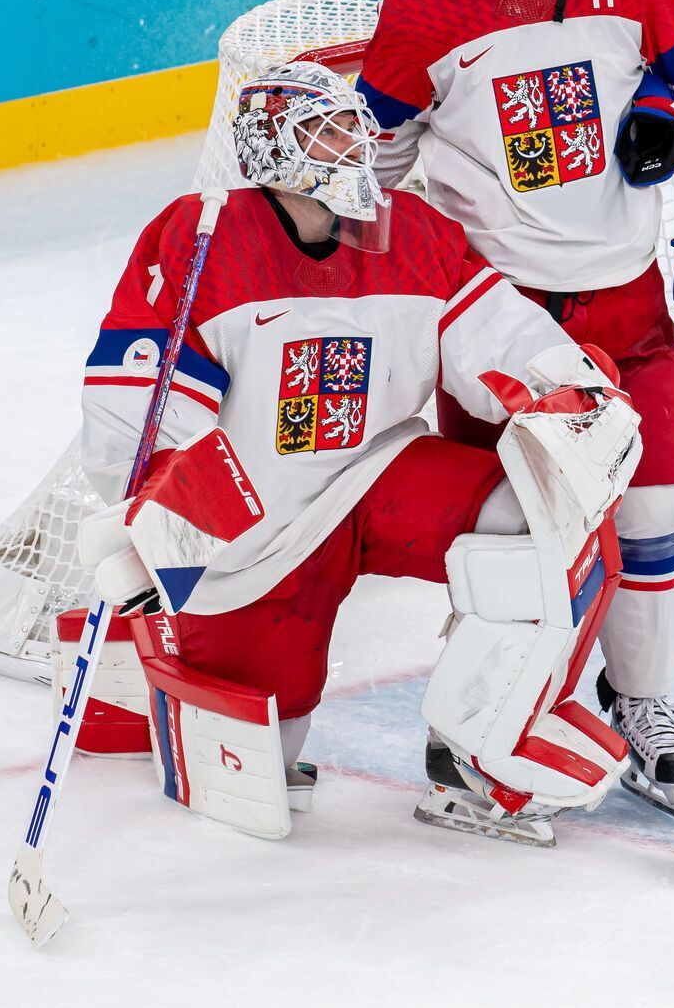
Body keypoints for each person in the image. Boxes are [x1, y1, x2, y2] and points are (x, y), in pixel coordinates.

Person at [71, 61, 644, 846]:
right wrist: (168, 520)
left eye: (352, 127)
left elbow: (497, 335)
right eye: (325, 130)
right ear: (273, 150)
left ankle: (472, 757)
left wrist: (571, 392)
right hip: (254, 532)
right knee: (267, 771)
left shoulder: (408, 232)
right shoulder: (203, 240)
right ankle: (146, 659)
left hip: (376, 478)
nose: (352, 145)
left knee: (539, 513)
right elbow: (134, 413)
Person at [353, 0, 674, 815]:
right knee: (520, 534)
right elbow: (378, 167)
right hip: (507, 323)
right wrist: (403, 291)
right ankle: (489, 719)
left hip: (626, 301)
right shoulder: (420, 7)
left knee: (657, 507)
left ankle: (639, 700)